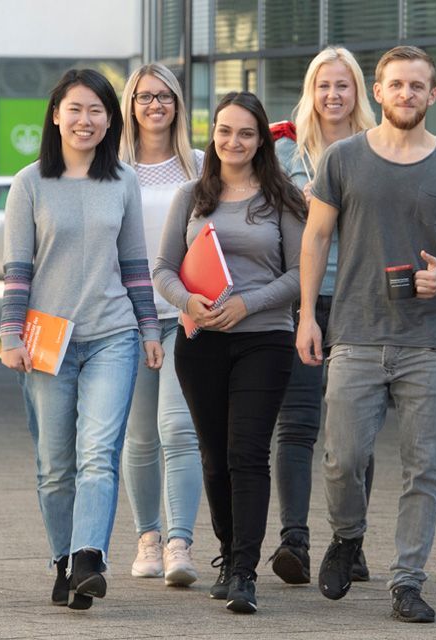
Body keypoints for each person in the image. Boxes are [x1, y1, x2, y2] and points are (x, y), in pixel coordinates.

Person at [298, 46, 436, 623]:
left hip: (426, 341)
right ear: (377, 93)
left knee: (424, 467)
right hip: (354, 333)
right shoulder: (342, 158)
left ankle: (407, 580)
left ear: (433, 95)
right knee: (342, 458)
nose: (406, 94)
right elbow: (314, 240)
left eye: (417, 86)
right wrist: (309, 315)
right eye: (396, 85)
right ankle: (347, 534)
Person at [0, 68, 163, 610]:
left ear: (111, 120)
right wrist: (9, 334)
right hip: (47, 340)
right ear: (55, 115)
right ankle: (64, 559)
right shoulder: (28, 184)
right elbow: (17, 270)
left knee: (99, 452)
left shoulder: (123, 181)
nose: (85, 120)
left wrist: (148, 329)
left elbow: (136, 266)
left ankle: (90, 556)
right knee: (54, 464)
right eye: (75, 109)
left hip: (111, 334)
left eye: (97, 110)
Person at [154, 91, 305, 614]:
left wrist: (248, 304)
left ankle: (244, 570)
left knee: (247, 453)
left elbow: (299, 275)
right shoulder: (191, 196)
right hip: (200, 344)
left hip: (264, 339)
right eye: (224, 130)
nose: (233, 141)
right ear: (212, 134)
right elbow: (163, 270)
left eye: (245, 132)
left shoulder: (281, 198)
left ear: (261, 138)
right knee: (214, 459)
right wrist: (187, 301)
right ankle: (225, 553)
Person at [269, 46, 377, 586]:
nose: (333, 95)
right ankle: (294, 541)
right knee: (298, 425)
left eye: (343, 85)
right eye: (323, 85)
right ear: (311, 92)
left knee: (356, 432)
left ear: (358, 92)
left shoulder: (377, 149)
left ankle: (348, 541)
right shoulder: (287, 152)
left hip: (363, 302)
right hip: (302, 301)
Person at [118, 63, 205, 587]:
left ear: (177, 104)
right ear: (131, 105)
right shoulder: (113, 167)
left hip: (184, 316)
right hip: (126, 319)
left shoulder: (198, 166)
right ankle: (146, 537)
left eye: (165, 96)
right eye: (145, 97)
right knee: (140, 435)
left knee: (179, 428)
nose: (155, 105)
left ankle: (180, 543)